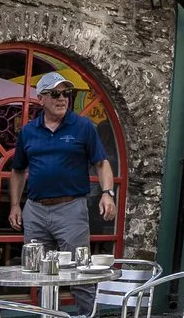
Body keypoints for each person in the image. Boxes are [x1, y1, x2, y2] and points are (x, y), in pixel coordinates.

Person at [8, 72, 114, 256]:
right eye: (55, 94)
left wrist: (107, 193)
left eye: (67, 94)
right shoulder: (29, 131)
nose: (62, 99)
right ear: (41, 98)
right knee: (37, 272)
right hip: (35, 210)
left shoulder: (83, 126)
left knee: (78, 271)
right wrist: (15, 205)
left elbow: (101, 163)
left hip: (70, 209)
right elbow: (17, 170)